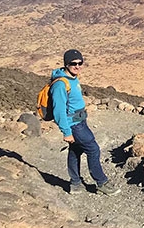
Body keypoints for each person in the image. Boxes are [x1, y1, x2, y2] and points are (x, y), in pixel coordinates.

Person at [50, 49, 120, 196]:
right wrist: (67, 132)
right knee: (93, 149)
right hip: (74, 124)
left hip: (80, 121)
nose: (77, 66)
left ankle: (75, 184)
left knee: (76, 151)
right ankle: (101, 182)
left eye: (80, 63)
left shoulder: (72, 78)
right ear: (66, 64)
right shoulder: (60, 84)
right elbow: (59, 110)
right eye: (73, 63)